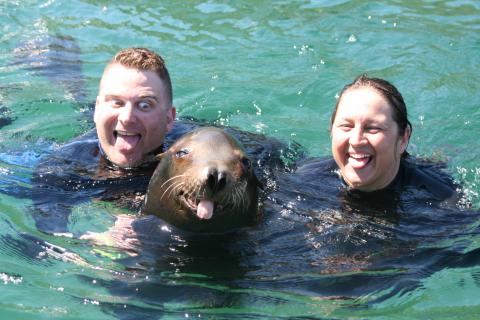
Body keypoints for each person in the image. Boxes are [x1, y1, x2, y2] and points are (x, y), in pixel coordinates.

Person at [94, 47, 176, 169]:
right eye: (117, 102)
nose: (127, 118)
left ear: (169, 119)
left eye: (144, 105)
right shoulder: (65, 164)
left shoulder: (190, 147)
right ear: (97, 110)